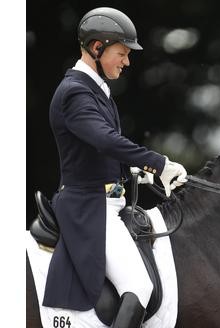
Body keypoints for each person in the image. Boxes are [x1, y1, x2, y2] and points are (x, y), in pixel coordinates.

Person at [42, 7, 187, 327]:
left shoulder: (95, 89)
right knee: (140, 286)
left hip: (106, 201)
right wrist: (158, 164)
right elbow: (105, 141)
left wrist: (137, 172)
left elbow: (100, 151)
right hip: (88, 207)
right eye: (121, 53)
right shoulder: (76, 92)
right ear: (97, 47)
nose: (127, 61)